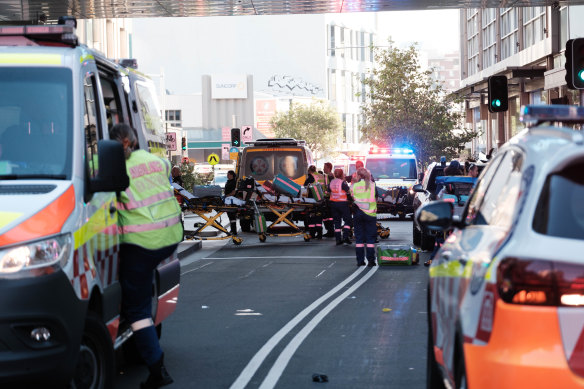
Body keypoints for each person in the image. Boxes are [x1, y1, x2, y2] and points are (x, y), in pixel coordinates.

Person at [109, 123, 182, 389]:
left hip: (141, 243)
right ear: (135, 139)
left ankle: (156, 369)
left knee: (137, 310)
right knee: (142, 295)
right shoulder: (158, 162)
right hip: (169, 237)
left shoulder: (108, 165)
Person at [350, 168, 378, 267]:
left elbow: (352, 198)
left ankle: (360, 261)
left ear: (358, 175)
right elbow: (376, 197)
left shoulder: (353, 186)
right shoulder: (372, 185)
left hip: (358, 213)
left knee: (359, 239)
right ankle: (371, 261)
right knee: (370, 239)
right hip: (370, 214)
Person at [329, 168, 352, 245]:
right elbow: (349, 192)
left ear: (335, 174)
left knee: (337, 222)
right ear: (342, 174)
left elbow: (328, 191)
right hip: (342, 204)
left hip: (333, 204)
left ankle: (338, 239)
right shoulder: (342, 183)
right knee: (348, 220)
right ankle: (345, 236)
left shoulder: (331, 182)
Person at [305, 165, 323, 239]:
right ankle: (319, 234)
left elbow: (305, 187)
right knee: (318, 217)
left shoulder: (310, 178)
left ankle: (312, 234)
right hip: (320, 199)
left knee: (312, 217)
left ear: (309, 171)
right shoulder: (321, 176)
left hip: (312, 200)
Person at [321, 162, 335, 237]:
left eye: (325, 167)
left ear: (329, 168)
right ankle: (330, 230)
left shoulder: (330, 176)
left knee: (329, 216)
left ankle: (331, 231)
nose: (323, 169)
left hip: (329, 199)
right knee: (328, 216)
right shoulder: (327, 176)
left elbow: (331, 187)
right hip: (327, 198)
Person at [224, 170, 238, 235]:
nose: (227, 175)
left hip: (232, 201)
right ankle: (232, 230)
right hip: (228, 200)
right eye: (227, 174)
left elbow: (234, 192)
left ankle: (234, 231)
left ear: (232, 175)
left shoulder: (234, 182)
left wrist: (228, 195)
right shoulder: (228, 182)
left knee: (232, 216)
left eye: (229, 174)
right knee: (230, 216)